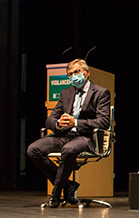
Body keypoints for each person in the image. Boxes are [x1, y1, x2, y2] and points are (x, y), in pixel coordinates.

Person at [27, 58, 111, 208]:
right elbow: (50, 119)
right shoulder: (66, 93)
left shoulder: (100, 92)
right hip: (64, 135)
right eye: (70, 74)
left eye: (77, 72)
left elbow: (103, 122)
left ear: (87, 73)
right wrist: (58, 123)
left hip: (86, 137)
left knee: (69, 150)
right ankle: (68, 186)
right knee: (33, 150)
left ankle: (57, 192)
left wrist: (76, 123)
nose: (73, 76)